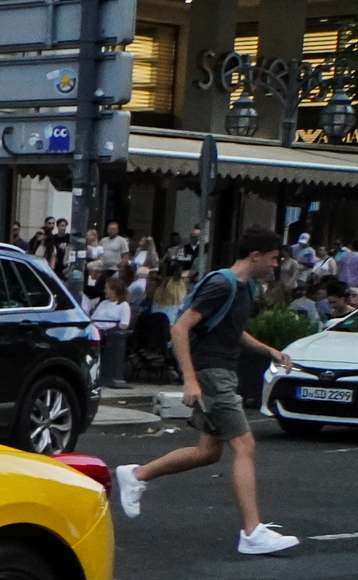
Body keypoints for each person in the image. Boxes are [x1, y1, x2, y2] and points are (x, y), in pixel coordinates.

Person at [115, 229, 301, 556]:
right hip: (213, 374)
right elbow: (180, 327)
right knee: (245, 444)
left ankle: (136, 474)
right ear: (255, 255)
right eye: (273, 257)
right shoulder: (221, 284)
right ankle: (252, 532)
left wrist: (269, 350)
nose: (276, 264)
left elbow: (232, 330)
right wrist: (190, 379)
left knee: (208, 452)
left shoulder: (243, 289)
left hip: (221, 372)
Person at [90, 278, 132, 389]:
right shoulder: (103, 303)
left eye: (107, 289)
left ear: (114, 290)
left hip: (109, 334)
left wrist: (108, 327)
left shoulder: (123, 306)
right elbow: (94, 318)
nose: (105, 291)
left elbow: (124, 324)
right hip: (96, 329)